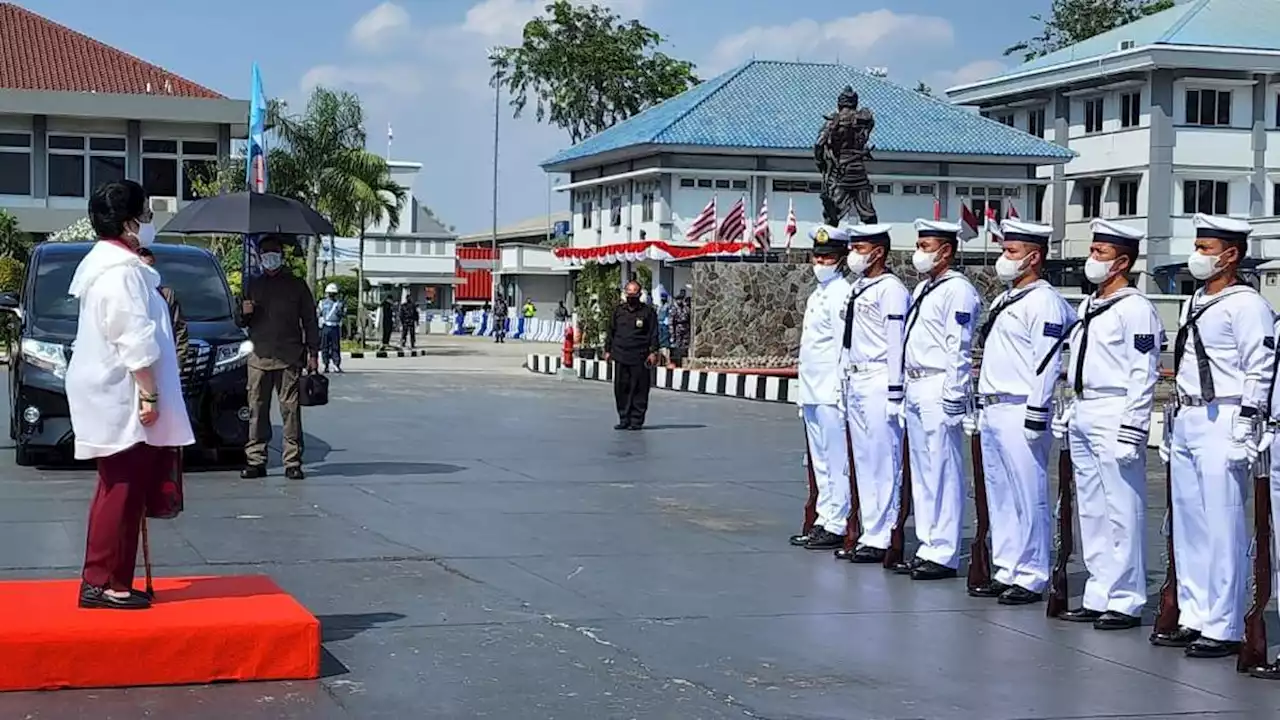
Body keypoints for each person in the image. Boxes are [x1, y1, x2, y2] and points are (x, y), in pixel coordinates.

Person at [66, 180, 194, 610]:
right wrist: (150, 395)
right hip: (122, 394)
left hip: (115, 391)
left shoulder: (114, 267)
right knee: (121, 488)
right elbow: (134, 339)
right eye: (145, 215)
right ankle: (103, 581)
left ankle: (109, 578)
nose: (150, 223)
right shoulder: (121, 274)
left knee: (120, 486)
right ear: (128, 224)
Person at [1154, 214, 1275, 658]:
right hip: (1187, 416)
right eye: (1199, 246)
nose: (1198, 255)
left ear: (1231, 255)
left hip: (1223, 415)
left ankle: (1223, 623)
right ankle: (1194, 612)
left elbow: (1259, 367)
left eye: (1206, 248)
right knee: (1189, 522)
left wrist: (1247, 422)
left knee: (1222, 521)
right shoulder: (1195, 301)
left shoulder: (1247, 305)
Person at [1050, 219, 1162, 631]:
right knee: (1092, 508)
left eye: (1100, 254)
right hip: (1085, 408)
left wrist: (1134, 428)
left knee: (1121, 507)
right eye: (1093, 251)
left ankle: (1127, 598)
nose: (1091, 260)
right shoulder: (1089, 305)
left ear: (1122, 263)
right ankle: (1101, 591)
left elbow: (1142, 371)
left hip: (1115, 411)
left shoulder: (1135, 309)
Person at [967, 219, 1076, 605]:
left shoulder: (1044, 302)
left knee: (1027, 492)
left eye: (1011, 252)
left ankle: (1031, 573)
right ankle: (1008, 566)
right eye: (1004, 251)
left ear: (1034, 256)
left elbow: (1045, 362)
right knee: (1000, 492)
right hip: (995, 406)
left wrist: (1037, 410)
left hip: (1020, 407)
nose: (1004, 259)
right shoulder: (1004, 299)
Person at [897, 219, 982, 580]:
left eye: (926, 245)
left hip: (937, 385)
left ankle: (943, 551)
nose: (920, 252)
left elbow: (958, 346)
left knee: (942, 469)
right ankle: (928, 544)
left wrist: (953, 396)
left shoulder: (957, 291)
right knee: (922, 471)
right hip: (916, 384)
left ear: (946, 251)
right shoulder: (923, 289)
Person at [833, 223, 911, 563]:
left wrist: (895, 392)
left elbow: (895, 343)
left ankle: (884, 535)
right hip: (858, 378)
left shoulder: (890, 289)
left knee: (883, 460)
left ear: (878, 252)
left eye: (859, 249)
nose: (853, 255)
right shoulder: (860, 287)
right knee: (863, 461)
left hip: (880, 378)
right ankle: (870, 531)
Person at [790, 225, 854, 550]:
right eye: (817, 256)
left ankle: (838, 521)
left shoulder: (842, 293)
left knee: (835, 459)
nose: (820, 261)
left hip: (831, 392)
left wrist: (842, 391)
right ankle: (823, 518)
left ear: (841, 259)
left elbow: (844, 347)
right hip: (813, 390)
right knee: (819, 461)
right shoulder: (818, 294)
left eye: (827, 256)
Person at [236, 234, 320, 481]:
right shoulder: (251, 284)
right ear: (259, 257)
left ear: (281, 255)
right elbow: (239, 320)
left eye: (274, 252)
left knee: (290, 411)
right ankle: (256, 459)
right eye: (265, 253)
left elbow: (310, 320)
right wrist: (245, 312)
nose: (269, 257)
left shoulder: (296, 285)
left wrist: (313, 352)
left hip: (289, 355)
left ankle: (292, 461)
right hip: (258, 356)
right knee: (256, 409)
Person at [604, 281, 659, 430]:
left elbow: (653, 333)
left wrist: (653, 352)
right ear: (625, 294)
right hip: (621, 355)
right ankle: (624, 419)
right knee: (621, 389)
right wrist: (608, 350)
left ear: (640, 295)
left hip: (640, 356)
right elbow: (611, 332)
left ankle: (636, 421)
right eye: (629, 293)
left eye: (634, 294)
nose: (631, 296)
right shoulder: (618, 311)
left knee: (640, 389)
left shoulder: (648, 312)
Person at [136, 246, 188, 365]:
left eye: (150, 267)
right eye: (142, 268)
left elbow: (179, 328)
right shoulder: (127, 295)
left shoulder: (166, 295)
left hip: (164, 361)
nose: (147, 271)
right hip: (137, 362)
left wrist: (177, 363)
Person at [317, 282, 344, 373]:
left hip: (329, 327)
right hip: (330, 327)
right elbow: (341, 315)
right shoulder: (337, 304)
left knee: (329, 347)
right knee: (330, 347)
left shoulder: (323, 303)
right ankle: (331, 365)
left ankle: (330, 364)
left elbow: (318, 314)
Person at [670, 291, 691, 366]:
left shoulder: (686, 308)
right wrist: (672, 334)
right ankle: (677, 363)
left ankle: (685, 363)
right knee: (677, 346)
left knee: (685, 346)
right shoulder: (674, 308)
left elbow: (689, 318)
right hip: (677, 329)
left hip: (686, 329)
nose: (680, 301)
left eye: (681, 299)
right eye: (678, 299)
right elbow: (671, 322)